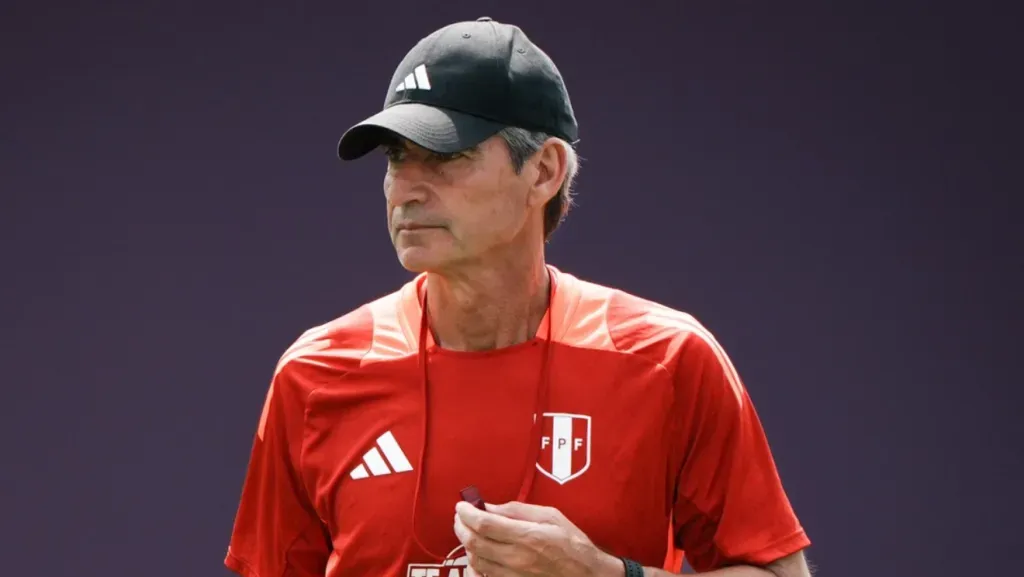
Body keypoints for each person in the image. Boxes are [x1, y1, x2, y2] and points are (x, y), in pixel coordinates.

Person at [224, 17, 813, 577]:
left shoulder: (664, 361)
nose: (405, 189)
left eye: (447, 156)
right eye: (396, 157)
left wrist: (606, 574)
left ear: (544, 171)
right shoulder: (316, 376)